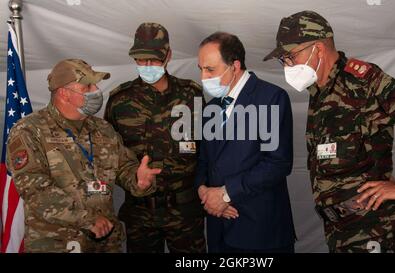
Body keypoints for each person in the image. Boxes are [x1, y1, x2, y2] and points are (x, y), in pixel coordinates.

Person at [264, 10, 395, 252]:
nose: (287, 64)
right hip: (339, 230)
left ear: (317, 49)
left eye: (290, 56)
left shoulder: (363, 82)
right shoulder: (319, 92)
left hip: (373, 229)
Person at [6, 59, 161, 253]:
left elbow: (123, 167)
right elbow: (35, 189)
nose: (96, 90)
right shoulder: (29, 130)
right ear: (64, 93)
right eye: (87, 86)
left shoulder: (103, 128)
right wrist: (87, 219)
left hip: (106, 242)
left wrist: (138, 180)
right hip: (58, 243)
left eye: (95, 84)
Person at [104, 22, 206, 253]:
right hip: (141, 214)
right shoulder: (120, 101)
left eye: (154, 59)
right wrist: (133, 179)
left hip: (186, 213)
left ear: (168, 55)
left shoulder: (192, 95)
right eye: (141, 59)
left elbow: (208, 150)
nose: (147, 65)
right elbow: (109, 157)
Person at [195, 31, 296, 253]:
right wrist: (204, 191)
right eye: (200, 69)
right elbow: (204, 159)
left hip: (259, 230)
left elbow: (277, 163)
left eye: (210, 69)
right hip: (218, 227)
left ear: (235, 65)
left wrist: (225, 194)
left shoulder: (271, 98)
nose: (203, 78)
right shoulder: (211, 107)